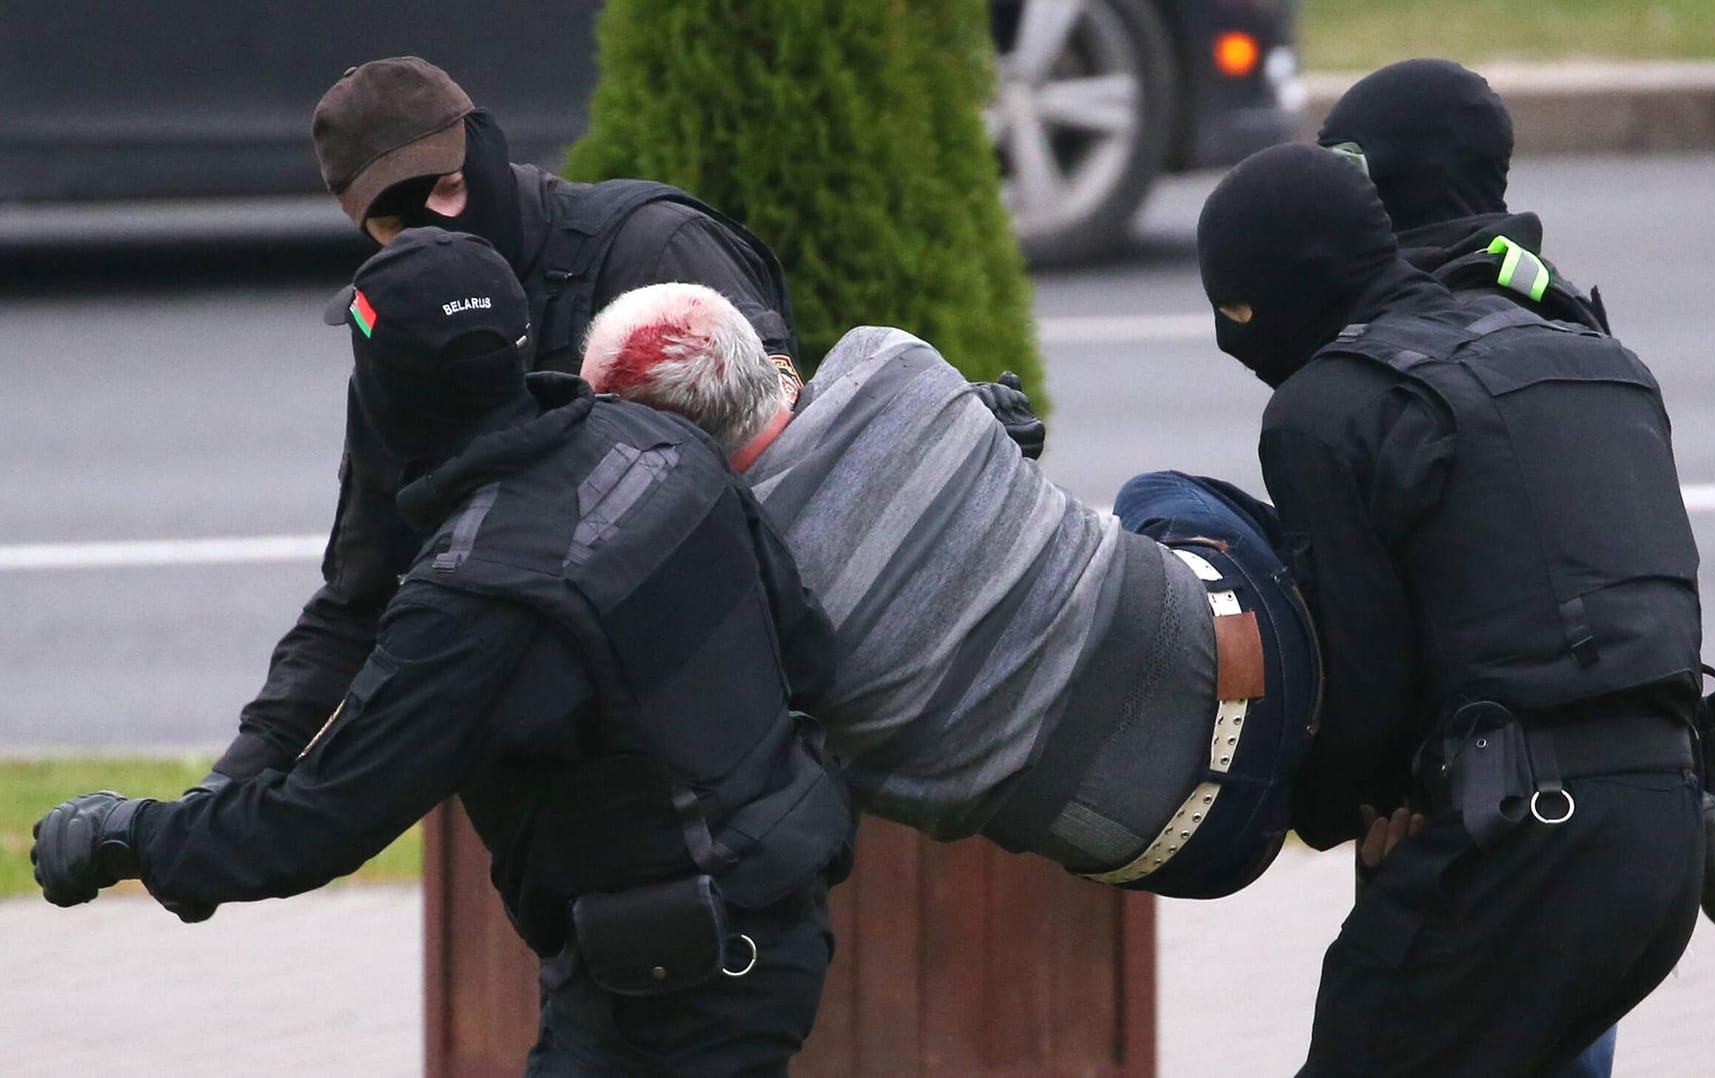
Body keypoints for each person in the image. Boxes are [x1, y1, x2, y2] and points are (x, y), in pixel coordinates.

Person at [31, 230, 854, 1075]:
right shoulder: (652, 443)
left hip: (679, 995)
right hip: (760, 931)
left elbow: (317, 821)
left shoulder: (478, 596)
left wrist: (130, 835)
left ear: (386, 394)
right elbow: (809, 655)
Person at [1198, 144, 1705, 1075]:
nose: (1237, 341)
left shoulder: (1326, 408)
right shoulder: (1594, 359)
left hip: (1516, 854)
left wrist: (1333, 810)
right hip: (1668, 840)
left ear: (1292, 284)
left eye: (1236, 310)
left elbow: (1368, 674)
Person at [576, 282, 1331, 900]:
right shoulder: (887, 363)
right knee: (1159, 496)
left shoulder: (737, 597)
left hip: (1182, 850)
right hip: (1283, 671)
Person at [203, 55, 804, 791]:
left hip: (730, 746)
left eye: (451, 188)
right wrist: (239, 773)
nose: (438, 225)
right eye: (397, 221)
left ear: (484, 144)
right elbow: (363, 586)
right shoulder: (408, 334)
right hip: (557, 790)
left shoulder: (651, 248)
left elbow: (782, 464)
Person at [1318, 56, 1715, 939]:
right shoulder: (1566, 320)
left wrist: (1366, 790)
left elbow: (1388, 613)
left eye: (1345, 169)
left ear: (1394, 180)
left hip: (1477, 807)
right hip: (1633, 779)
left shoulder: (1404, 349)